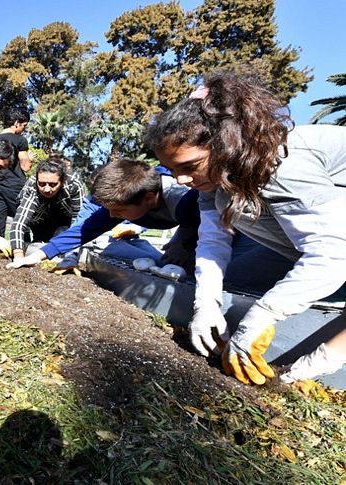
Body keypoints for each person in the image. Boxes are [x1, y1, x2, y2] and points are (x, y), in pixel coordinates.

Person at [146, 70, 346, 385]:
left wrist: (263, 315)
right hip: (319, 243)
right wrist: (206, 305)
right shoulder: (216, 178)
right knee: (237, 281)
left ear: (226, 143)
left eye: (189, 167)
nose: (182, 180)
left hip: (337, 245)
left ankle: (314, 366)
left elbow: (333, 255)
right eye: (172, 170)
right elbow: (213, 241)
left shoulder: (285, 165)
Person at [6, 158, 199, 272]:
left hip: (216, 222)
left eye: (119, 211)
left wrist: (186, 245)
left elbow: (213, 223)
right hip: (187, 222)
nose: (112, 216)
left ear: (148, 198)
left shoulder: (185, 199)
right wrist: (39, 255)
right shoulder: (120, 204)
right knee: (172, 261)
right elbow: (84, 230)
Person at [9, 156, 86, 258]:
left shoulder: (73, 183)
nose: (46, 189)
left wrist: (72, 254)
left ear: (62, 182)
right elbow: (19, 223)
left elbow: (78, 219)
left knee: (60, 241)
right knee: (39, 243)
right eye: (41, 184)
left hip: (63, 217)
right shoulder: (32, 186)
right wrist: (18, 256)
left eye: (53, 184)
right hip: (38, 218)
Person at [0, 109, 34, 235]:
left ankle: (0, 250)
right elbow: (25, 167)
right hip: (14, 186)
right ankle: (24, 248)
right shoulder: (20, 140)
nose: (23, 129)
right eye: (24, 125)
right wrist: (30, 159)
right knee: (22, 220)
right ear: (16, 123)